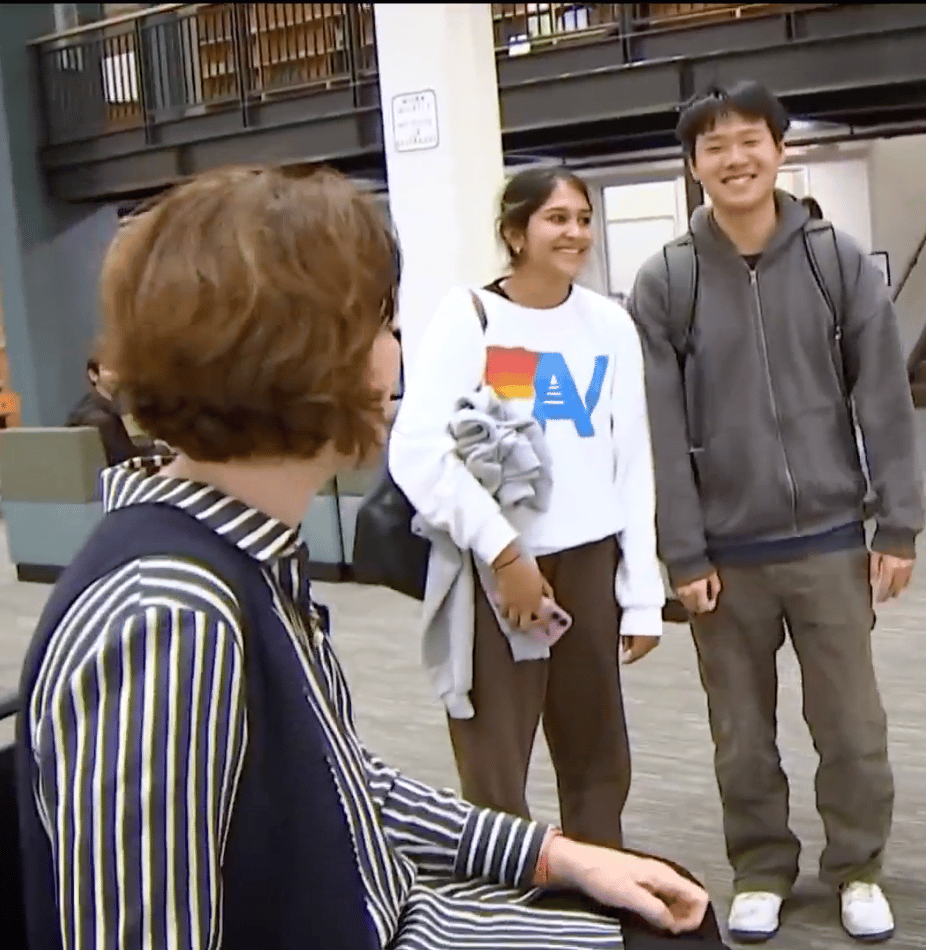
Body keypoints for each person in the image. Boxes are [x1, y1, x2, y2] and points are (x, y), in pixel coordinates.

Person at [16, 165, 720, 950]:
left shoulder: (246, 561)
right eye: (383, 327)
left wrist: (551, 855)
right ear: (299, 355)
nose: (396, 355)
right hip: (387, 925)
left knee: (666, 906)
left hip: (392, 908)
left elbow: (338, 786)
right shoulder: (170, 617)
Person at [629, 80, 924, 943]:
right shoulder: (668, 280)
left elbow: (885, 401)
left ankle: (858, 867)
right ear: (694, 165)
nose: (735, 158)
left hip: (830, 541)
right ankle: (760, 867)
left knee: (852, 726)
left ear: (780, 149)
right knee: (741, 734)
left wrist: (897, 524)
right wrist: (682, 552)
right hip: (724, 554)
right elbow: (658, 428)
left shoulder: (837, 261)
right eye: (714, 146)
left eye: (749, 140)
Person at [390, 167, 665, 850]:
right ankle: (501, 895)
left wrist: (642, 597)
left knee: (597, 754)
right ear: (515, 233)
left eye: (582, 219)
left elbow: (632, 461)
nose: (575, 233)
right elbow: (417, 451)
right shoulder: (470, 318)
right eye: (556, 219)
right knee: (495, 760)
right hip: (498, 570)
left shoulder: (610, 324)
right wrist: (505, 551)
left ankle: (600, 887)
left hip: (590, 558)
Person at [66, 354, 148, 464]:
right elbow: (126, 459)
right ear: (93, 375)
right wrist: (159, 448)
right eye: (109, 369)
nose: (117, 375)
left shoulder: (91, 406)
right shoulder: (100, 417)